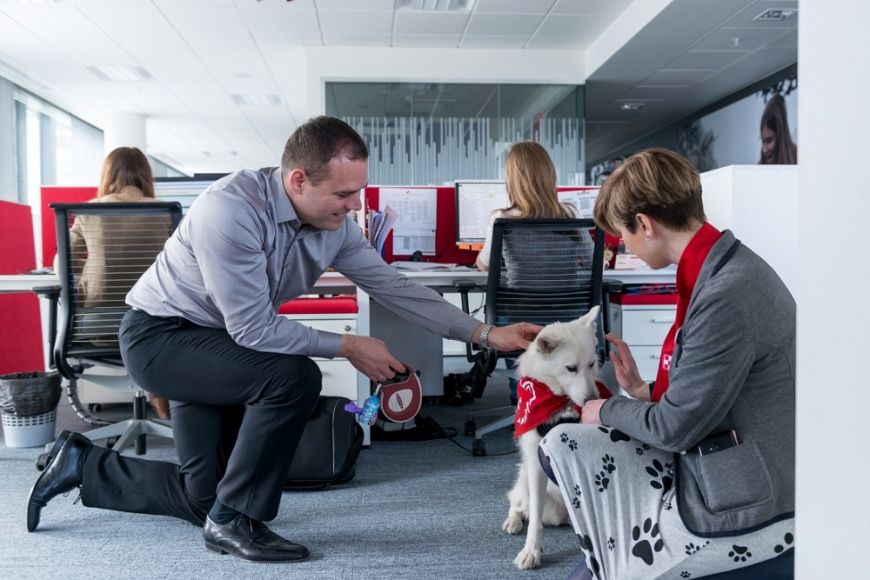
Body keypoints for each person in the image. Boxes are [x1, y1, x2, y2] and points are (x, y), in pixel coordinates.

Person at [27, 116, 540, 563]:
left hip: (218, 343)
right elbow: (252, 329)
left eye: (358, 191)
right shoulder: (230, 210)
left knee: (205, 497)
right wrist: (349, 346)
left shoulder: (334, 224)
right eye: (342, 193)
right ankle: (237, 519)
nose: (353, 204)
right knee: (292, 376)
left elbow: (393, 286)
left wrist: (486, 333)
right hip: (162, 339)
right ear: (298, 179)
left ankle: (81, 464)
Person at [539, 148, 795, 579]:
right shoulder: (722, 266)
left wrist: (606, 408)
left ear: (645, 223)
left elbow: (677, 428)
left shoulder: (724, 296)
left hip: (750, 488)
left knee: (573, 441)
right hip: (731, 445)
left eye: (624, 235)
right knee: (561, 447)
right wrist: (645, 392)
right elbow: (711, 389)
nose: (625, 247)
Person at [56, 146, 172, 419]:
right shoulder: (164, 212)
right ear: (145, 177)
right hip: (153, 327)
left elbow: (64, 266)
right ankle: (160, 390)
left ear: (107, 175)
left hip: (101, 327)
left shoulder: (89, 211)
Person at [475, 141, 576, 402]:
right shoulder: (570, 215)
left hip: (521, 321)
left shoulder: (501, 218)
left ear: (512, 180)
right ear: (549, 176)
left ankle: (525, 398)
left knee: (512, 318)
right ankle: (559, 399)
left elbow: (486, 265)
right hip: (568, 316)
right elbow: (590, 264)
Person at [759, 93, 797, 165]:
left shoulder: (802, 159)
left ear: (781, 137)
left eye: (769, 141)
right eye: (763, 141)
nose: (764, 150)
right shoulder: (759, 170)